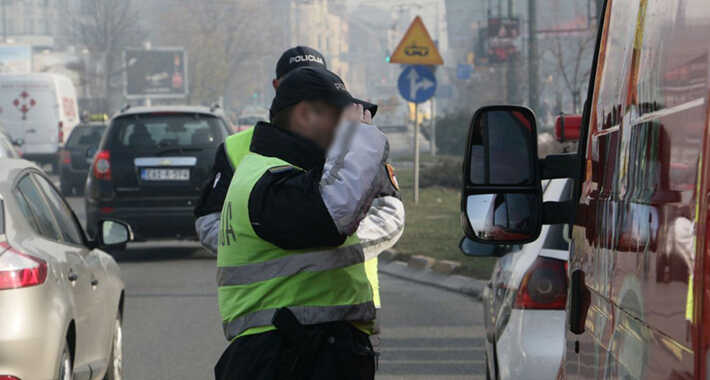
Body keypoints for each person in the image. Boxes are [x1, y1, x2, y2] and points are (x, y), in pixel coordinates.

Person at [213, 66, 396, 379]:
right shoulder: (269, 181)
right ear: (305, 115)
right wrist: (359, 142)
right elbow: (331, 214)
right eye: (342, 117)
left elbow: (377, 205)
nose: (349, 126)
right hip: (285, 357)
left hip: (300, 351)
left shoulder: (292, 175)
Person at [194, 46, 403, 312]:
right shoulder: (239, 150)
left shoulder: (349, 150)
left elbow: (390, 212)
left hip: (352, 308)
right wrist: (287, 245)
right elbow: (214, 222)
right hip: (275, 320)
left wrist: (328, 241)